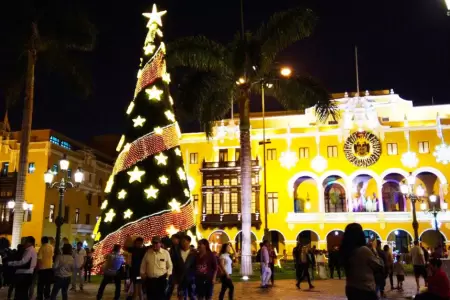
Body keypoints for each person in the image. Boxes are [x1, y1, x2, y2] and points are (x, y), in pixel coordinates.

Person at [340, 223, 383, 300]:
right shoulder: (363, 250)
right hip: (365, 289)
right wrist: (374, 249)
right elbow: (379, 265)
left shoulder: (346, 251)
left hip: (351, 287)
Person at [8, 236, 37, 300]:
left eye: (26, 241)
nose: (24, 243)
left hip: (24, 274)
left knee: (21, 294)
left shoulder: (30, 250)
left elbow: (23, 262)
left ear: (30, 243)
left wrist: (11, 263)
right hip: (26, 274)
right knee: (22, 293)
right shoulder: (30, 250)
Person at [174, 235, 196, 300]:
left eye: (184, 241)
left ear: (189, 242)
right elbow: (175, 266)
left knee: (192, 295)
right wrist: (175, 278)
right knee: (181, 296)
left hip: (191, 278)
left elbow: (196, 265)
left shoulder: (194, 253)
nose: (182, 243)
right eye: (181, 241)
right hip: (181, 278)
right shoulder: (177, 252)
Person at [167, 234, 181, 299]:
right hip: (172, 269)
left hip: (179, 270)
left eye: (173, 238)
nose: (172, 240)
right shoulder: (172, 247)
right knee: (170, 286)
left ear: (177, 239)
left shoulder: (180, 247)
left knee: (181, 289)